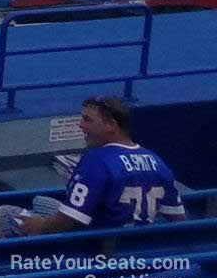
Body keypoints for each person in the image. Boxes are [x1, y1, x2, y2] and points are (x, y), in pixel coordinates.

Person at [13, 96, 184, 233]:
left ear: (111, 125)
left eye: (87, 120)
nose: (80, 125)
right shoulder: (157, 161)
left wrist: (40, 225)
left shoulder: (97, 160)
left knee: (7, 214)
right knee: (40, 201)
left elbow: (68, 219)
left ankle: (22, 268)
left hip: (97, 249)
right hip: (138, 246)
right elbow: (178, 219)